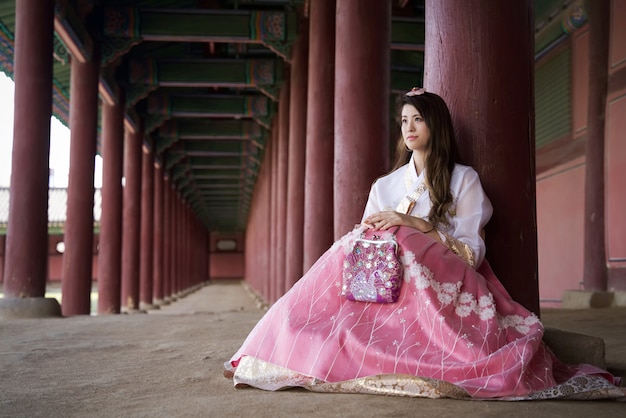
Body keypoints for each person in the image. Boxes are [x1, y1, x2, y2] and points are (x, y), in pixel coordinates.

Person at [224, 88, 625, 400]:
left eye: (418, 119)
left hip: (446, 277)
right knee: (354, 244)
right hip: (384, 280)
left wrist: (414, 224)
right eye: (403, 121)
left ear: (437, 124)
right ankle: (285, 333)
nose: (409, 127)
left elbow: (472, 252)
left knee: (400, 235)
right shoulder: (385, 185)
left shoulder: (463, 179)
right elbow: (370, 242)